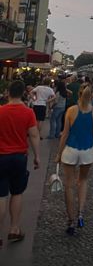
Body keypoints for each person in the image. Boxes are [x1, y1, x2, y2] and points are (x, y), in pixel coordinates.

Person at [55, 82, 93, 235]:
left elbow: (65, 135)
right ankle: (81, 213)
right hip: (87, 150)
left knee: (69, 185)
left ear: (78, 94)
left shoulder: (71, 111)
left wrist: (58, 154)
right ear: (92, 95)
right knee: (83, 181)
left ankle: (71, 220)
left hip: (70, 149)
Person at [0, 80, 40, 247]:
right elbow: (34, 135)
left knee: (1, 195)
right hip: (19, 157)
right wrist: (37, 156)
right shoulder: (28, 112)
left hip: (1, 156)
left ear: (8, 93)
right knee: (17, 193)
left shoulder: (0, 111)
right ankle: (14, 229)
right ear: (24, 93)